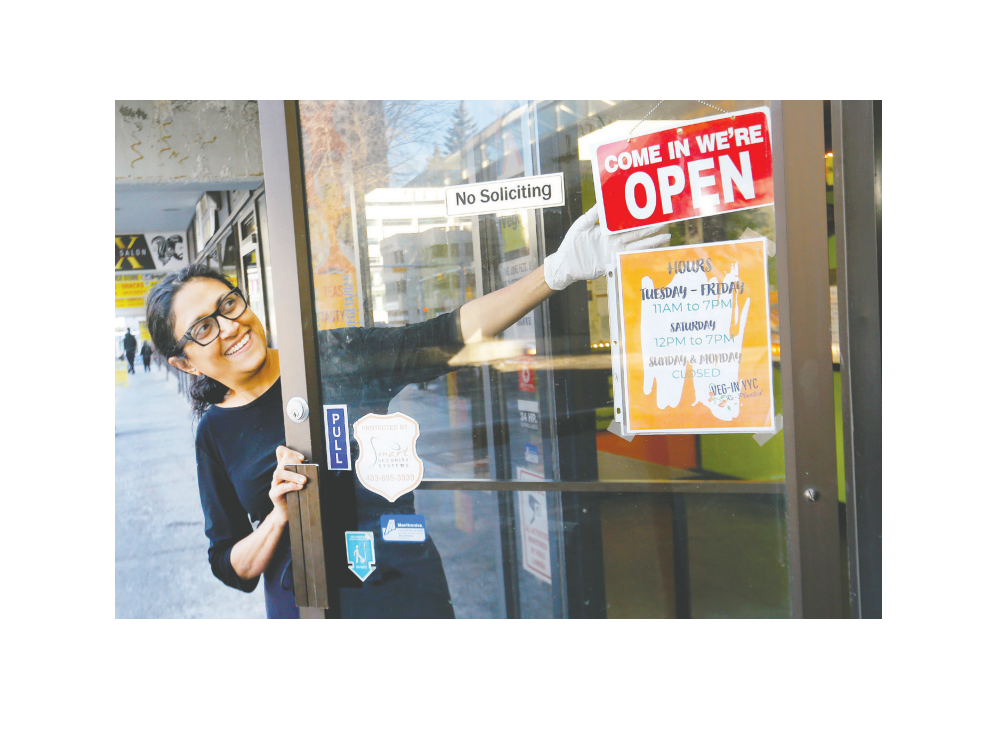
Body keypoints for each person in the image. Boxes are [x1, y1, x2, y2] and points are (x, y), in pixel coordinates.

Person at [145, 204, 669, 619]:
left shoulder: (330, 356)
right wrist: (278, 516)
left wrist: (557, 272)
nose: (230, 327)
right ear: (184, 362)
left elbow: (443, 336)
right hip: (307, 610)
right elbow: (232, 567)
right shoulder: (215, 433)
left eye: (229, 306)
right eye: (204, 328)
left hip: (402, 592)